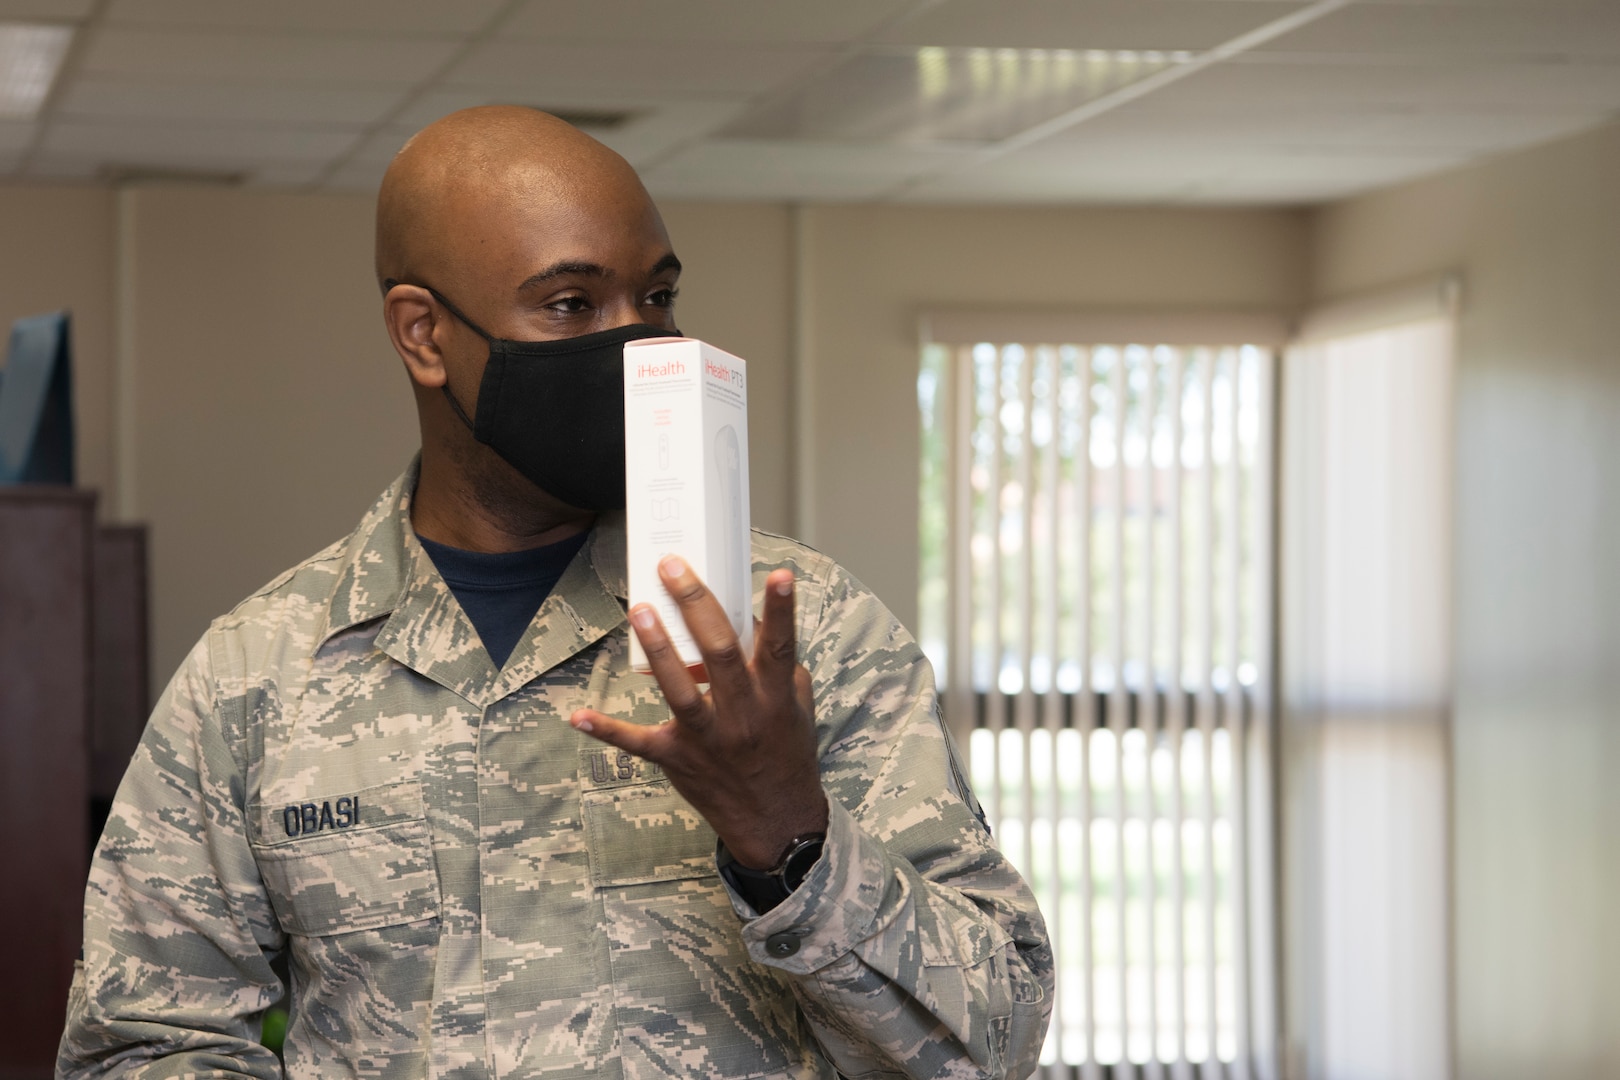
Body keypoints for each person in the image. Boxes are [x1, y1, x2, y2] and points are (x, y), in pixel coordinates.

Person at [57, 107, 1052, 1080]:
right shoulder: (258, 674)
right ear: (424, 333)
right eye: (572, 305)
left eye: (655, 298)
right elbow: (139, 1043)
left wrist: (790, 837)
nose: (637, 344)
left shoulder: (795, 629)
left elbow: (993, 1041)